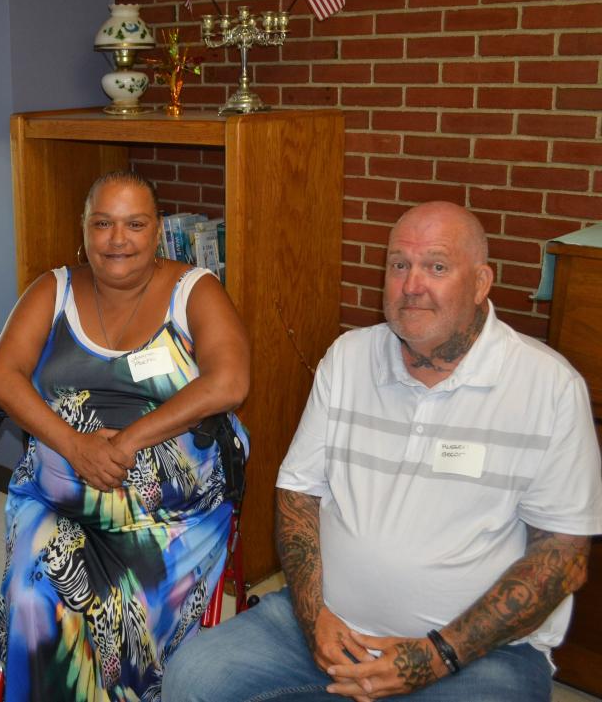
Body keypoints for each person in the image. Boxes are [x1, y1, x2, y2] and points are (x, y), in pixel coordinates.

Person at [162, 201, 602, 702]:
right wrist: (314, 619)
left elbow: (562, 557)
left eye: (437, 266)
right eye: (399, 265)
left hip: (480, 654)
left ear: (481, 283)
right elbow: (298, 495)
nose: (412, 285)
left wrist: (437, 656)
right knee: (194, 677)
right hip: (326, 625)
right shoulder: (349, 359)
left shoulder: (549, 388)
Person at [0, 170, 250, 701]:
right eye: (102, 223)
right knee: (38, 601)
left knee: (121, 621)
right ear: (83, 229)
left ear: (157, 230)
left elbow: (231, 381)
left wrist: (127, 442)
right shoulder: (52, 290)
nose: (117, 239)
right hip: (55, 501)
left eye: (134, 224)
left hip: (167, 524)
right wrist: (75, 445)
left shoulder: (194, 290)